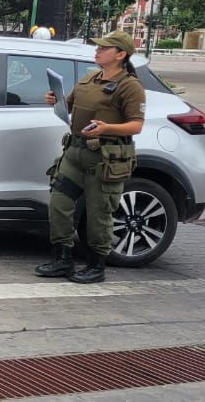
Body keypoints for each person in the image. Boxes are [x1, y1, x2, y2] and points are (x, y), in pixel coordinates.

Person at [35, 30, 145, 284]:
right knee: (59, 204)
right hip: (75, 153)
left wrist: (108, 128)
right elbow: (69, 106)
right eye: (98, 47)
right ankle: (63, 259)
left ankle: (96, 266)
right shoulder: (90, 79)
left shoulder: (130, 86)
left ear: (120, 55)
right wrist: (55, 100)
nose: (97, 51)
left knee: (99, 213)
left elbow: (136, 125)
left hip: (104, 158)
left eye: (104, 48)